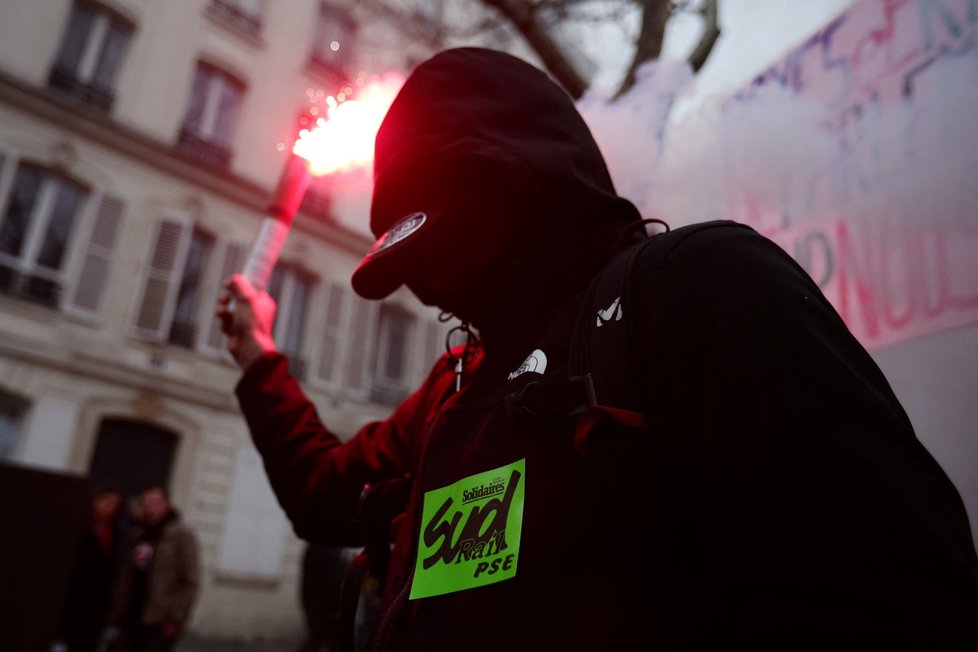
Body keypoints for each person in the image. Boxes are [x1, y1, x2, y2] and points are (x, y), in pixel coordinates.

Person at [218, 47, 978, 649]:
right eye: (407, 264)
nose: (426, 289)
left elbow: (898, 605)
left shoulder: (695, 291)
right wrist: (259, 361)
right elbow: (328, 494)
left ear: (517, 185)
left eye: (435, 245)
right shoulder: (455, 390)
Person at [107, 485, 200, 652]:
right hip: (132, 615)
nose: (150, 508)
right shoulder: (139, 534)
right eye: (146, 503)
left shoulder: (181, 535)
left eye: (155, 503)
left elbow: (190, 581)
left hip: (159, 619)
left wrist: (176, 618)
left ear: (167, 504)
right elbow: (127, 576)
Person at [52, 487, 124, 652]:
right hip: (70, 600)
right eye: (105, 501)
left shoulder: (114, 535)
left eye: (113, 505)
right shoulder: (79, 526)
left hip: (95, 605)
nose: (107, 507)